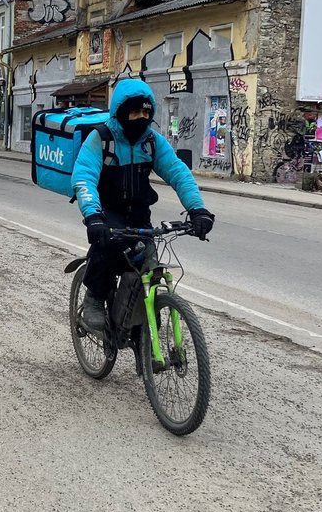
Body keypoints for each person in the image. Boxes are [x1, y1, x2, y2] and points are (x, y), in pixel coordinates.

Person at [71, 79, 215, 331]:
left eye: (147, 112)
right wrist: (93, 216)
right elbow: (84, 177)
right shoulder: (101, 139)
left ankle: (142, 335)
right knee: (107, 247)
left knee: (148, 267)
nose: (141, 117)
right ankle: (93, 297)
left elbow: (177, 173)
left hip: (139, 215)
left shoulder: (152, 142)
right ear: (120, 111)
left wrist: (198, 209)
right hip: (107, 213)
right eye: (135, 111)